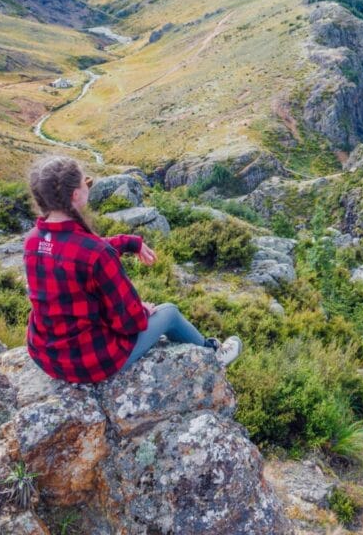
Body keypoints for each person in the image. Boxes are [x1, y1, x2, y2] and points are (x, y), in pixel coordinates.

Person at [22, 154, 241, 384]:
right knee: (170, 313)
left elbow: (72, 250)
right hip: (90, 362)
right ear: (76, 195)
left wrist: (128, 242)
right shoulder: (96, 254)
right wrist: (143, 311)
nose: (88, 187)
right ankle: (213, 355)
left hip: (46, 356)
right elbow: (129, 322)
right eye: (86, 183)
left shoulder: (33, 240)